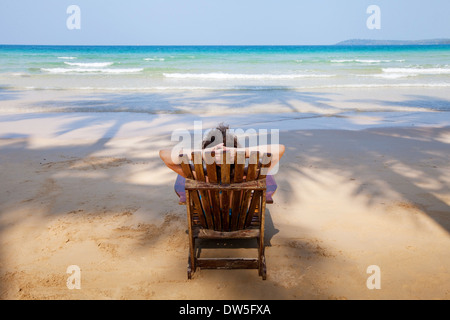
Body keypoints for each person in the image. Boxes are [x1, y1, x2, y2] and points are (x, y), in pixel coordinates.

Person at [159, 123, 285, 178]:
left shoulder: (197, 176)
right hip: (240, 219)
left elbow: (164, 154)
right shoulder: (248, 176)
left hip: (209, 220)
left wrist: (202, 155)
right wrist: (242, 153)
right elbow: (279, 149)